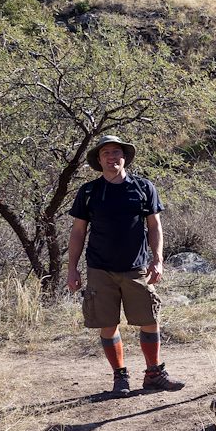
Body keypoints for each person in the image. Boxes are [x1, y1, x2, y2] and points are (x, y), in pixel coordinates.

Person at [66, 135, 184, 396]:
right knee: (108, 324)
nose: (112, 157)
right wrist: (72, 268)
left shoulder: (143, 188)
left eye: (116, 152)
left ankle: (154, 374)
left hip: (137, 267)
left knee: (150, 320)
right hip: (100, 268)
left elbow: (154, 226)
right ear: (99, 160)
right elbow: (77, 232)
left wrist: (158, 259)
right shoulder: (88, 192)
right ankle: (120, 378)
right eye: (106, 153)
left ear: (124, 157)